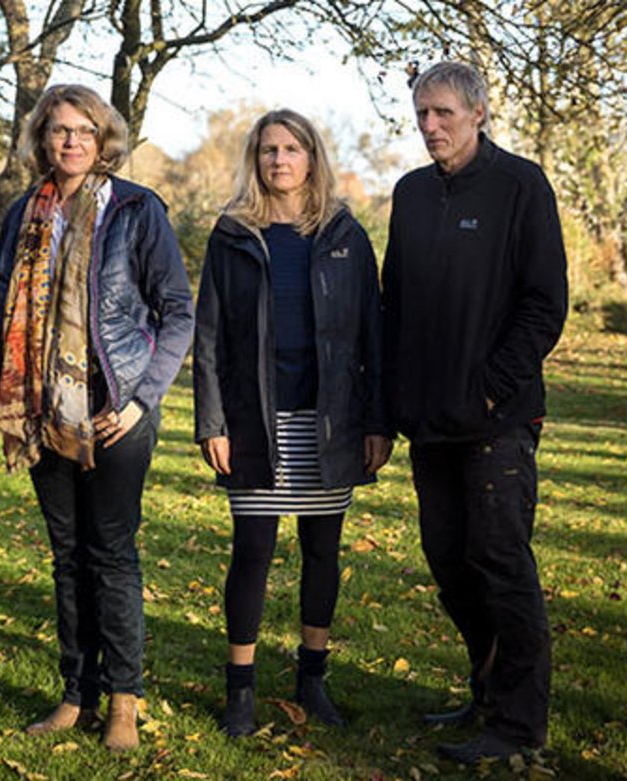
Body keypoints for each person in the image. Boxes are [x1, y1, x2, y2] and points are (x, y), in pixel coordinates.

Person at [0, 83, 194, 752]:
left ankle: (124, 699)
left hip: (115, 409)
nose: (70, 140)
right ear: (41, 139)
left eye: (83, 129)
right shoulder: (25, 212)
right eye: (59, 129)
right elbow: (0, 312)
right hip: (45, 407)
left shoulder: (136, 208)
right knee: (67, 554)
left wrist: (139, 400)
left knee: (111, 551)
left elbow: (178, 311)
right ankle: (77, 692)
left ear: (104, 140)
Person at [382, 61, 568, 764]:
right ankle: (487, 682)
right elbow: (392, 300)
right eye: (422, 113)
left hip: (499, 416)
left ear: (478, 112)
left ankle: (520, 726)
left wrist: (491, 387)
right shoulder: (410, 193)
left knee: (499, 558)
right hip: (428, 417)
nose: (430, 125)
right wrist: (391, 401)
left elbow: (544, 303)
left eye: (443, 113)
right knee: (447, 557)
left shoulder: (520, 185)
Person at [193, 109, 391, 736]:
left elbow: (372, 335)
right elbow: (208, 339)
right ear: (256, 160)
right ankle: (241, 692)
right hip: (255, 420)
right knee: (252, 551)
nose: (280, 160)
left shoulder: (344, 235)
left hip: (329, 419)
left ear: (312, 159)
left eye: (292, 149)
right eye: (269, 150)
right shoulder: (231, 235)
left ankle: (313, 680)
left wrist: (377, 421)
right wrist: (212, 421)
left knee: (321, 551)